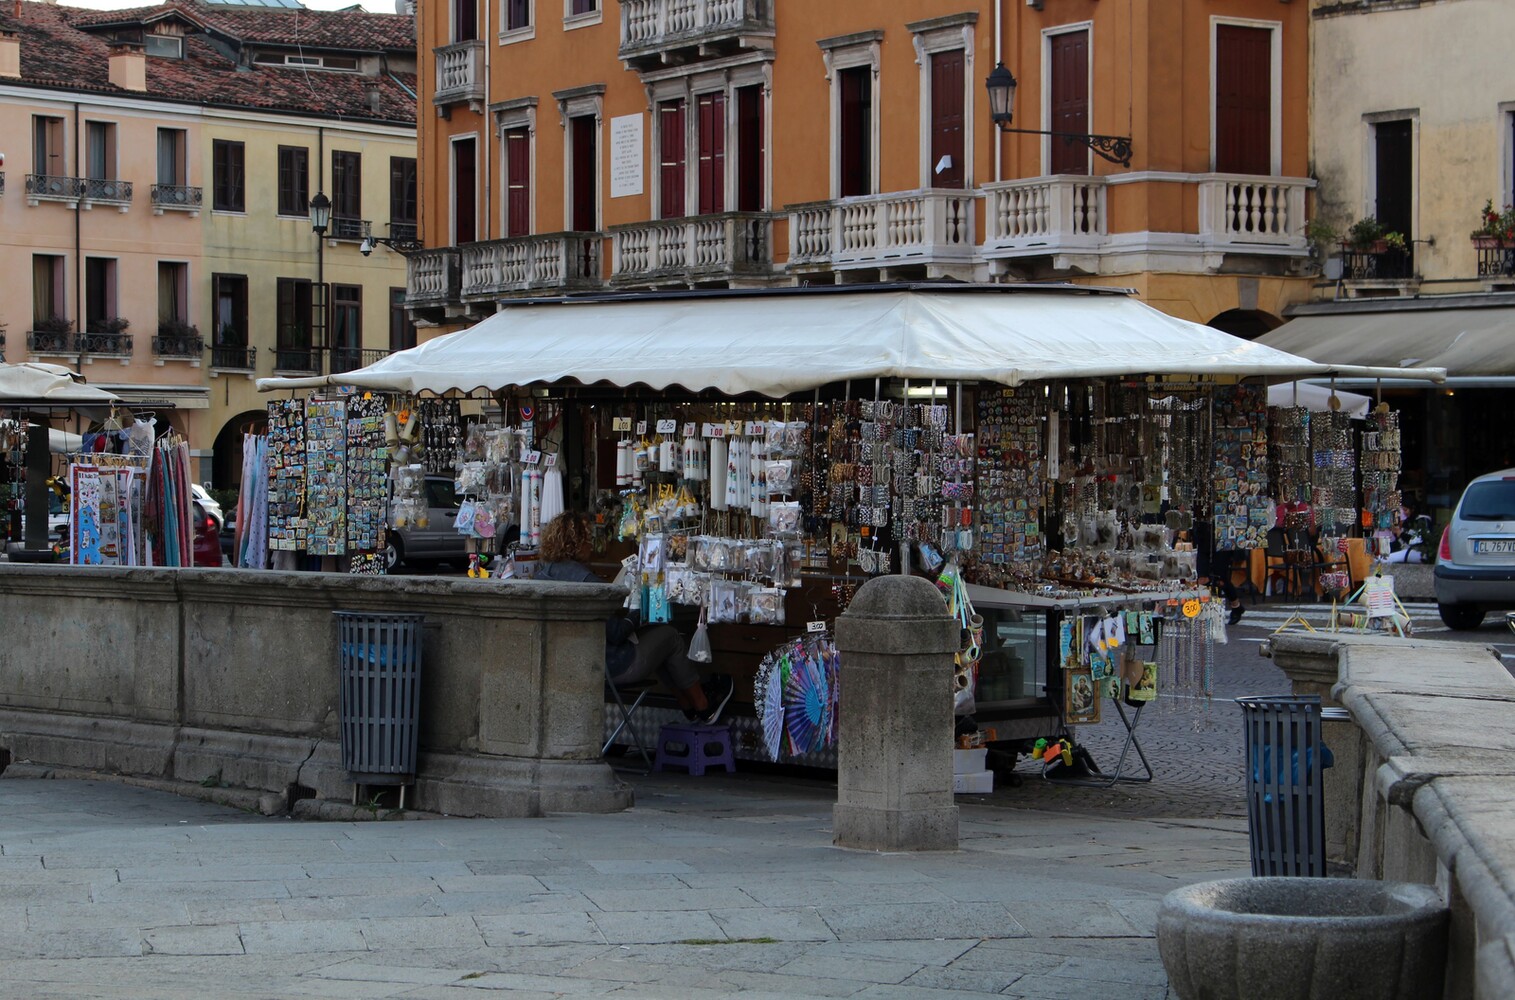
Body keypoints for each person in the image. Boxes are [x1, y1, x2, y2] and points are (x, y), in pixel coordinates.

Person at [535, 511, 734, 725]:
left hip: (568, 666)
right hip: (610, 666)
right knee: (670, 637)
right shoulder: (588, 582)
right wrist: (640, 611)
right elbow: (616, 633)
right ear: (576, 544)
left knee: (657, 641)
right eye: (588, 539)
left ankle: (688, 705)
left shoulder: (541, 576)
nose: (591, 545)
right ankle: (703, 706)